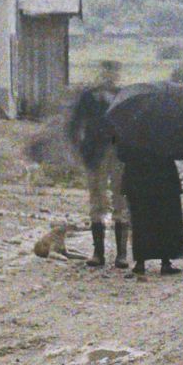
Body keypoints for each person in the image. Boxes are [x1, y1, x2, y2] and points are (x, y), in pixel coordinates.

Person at [66, 87, 130, 269]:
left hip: (119, 152)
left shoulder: (122, 96)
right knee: (96, 201)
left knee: (120, 199)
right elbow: (74, 126)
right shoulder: (88, 97)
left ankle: (121, 254)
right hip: (95, 153)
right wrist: (79, 150)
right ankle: (98, 253)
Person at [118, 146, 183, 277]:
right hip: (164, 177)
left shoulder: (129, 132)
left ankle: (140, 263)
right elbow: (180, 154)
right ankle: (165, 262)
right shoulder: (167, 132)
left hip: (137, 178)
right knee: (164, 219)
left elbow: (122, 154)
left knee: (140, 220)